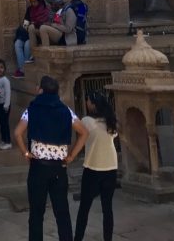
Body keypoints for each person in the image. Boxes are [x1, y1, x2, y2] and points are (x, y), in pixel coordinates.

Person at [13, 75, 88, 241]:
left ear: (41, 90)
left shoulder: (32, 109)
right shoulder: (65, 110)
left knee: (36, 214)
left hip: (38, 167)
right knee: (62, 213)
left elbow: (18, 133)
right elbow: (84, 132)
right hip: (58, 168)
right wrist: (71, 156)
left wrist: (26, 153)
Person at [73, 92, 119, 241]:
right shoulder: (110, 122)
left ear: (93, 104)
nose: (86, 102)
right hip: (111, 167)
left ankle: (78, 238)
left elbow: (76, 129)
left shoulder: (87, 121)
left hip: (93, 167)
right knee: (108, 208)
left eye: (87, 100)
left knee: (84, 208)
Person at [14, 0, 51, 77]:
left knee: (27, 45)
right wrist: (27, 25)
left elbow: (45, 24)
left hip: (37, 35)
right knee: (17, 44)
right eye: (32, 2)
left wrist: (35, 24)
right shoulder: (30, 10)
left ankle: (26, 69)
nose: (33, 4)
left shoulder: (45, 10)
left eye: (35, 2)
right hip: (27, 33)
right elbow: (25, 23)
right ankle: (22, 69)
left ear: (40, 1)